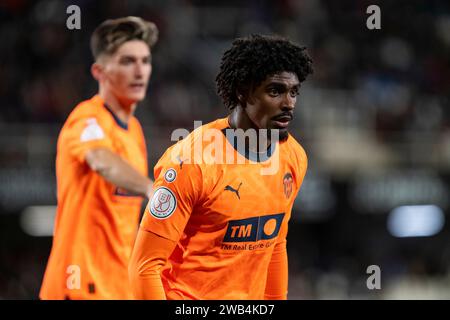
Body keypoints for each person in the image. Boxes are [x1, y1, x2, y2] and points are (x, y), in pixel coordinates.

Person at [129, 34, 313, 300]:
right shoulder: (191, 162)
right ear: (242, 91)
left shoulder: (293, 156)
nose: (289, 103)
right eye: (275, 91)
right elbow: (145, 266)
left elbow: (274, 245)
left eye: (294, 92)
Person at [40, 16, 158, 300]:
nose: (139, 71)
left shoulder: (135, 131)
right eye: (127, 61)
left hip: (119, 287)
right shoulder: (86, 118)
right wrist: (150, 188)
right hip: (78, 284)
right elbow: (100, 159)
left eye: (145, 61)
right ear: (100, 71)